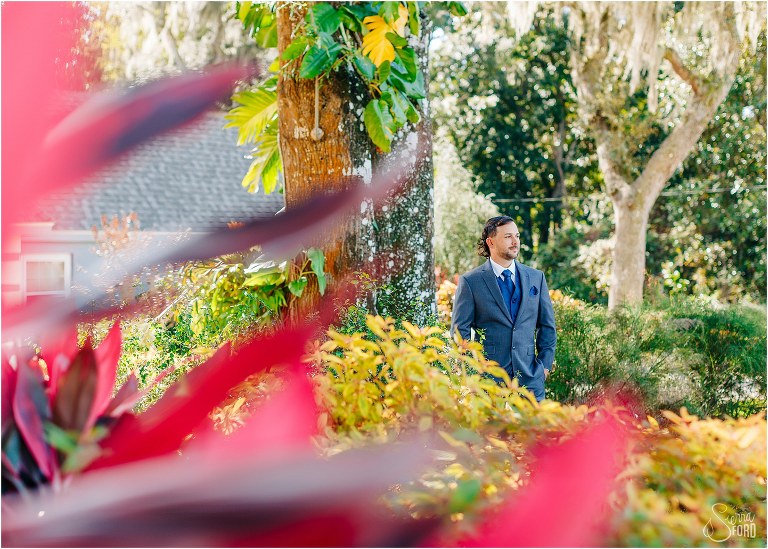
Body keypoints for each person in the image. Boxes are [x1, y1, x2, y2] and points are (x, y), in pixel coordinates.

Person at [451, 216, 556, 401]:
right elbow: (460, 333)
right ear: (490, 242)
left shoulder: (536, 277)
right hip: (488, 384)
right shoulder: (471, 282)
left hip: (531, 382)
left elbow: (547, 327)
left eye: (517, 236)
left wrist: (544, 368)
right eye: (508, 236)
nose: (515, 241)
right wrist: (472, 374)